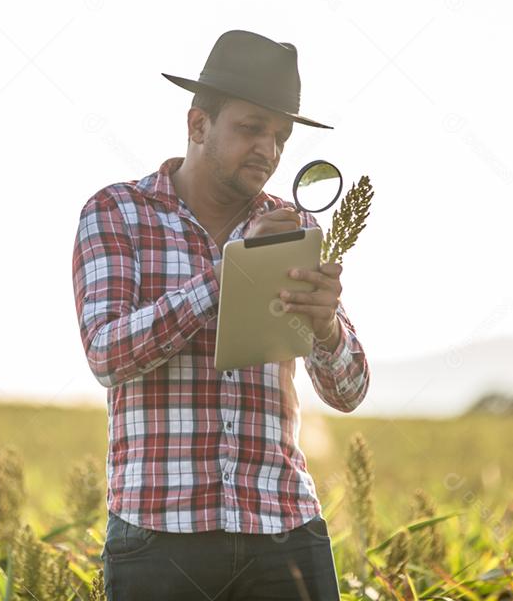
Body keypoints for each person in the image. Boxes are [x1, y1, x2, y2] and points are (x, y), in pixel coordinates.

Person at [71, 29, 370, 600]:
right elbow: (107, 354)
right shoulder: (116, 213)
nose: (269, 150)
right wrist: (232, 271)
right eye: (251, 128)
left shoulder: (296, 227)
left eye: (280, 135)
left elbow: (348, 392)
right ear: (198, 125)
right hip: (159, 537)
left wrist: (328, 328)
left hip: (284, 527)